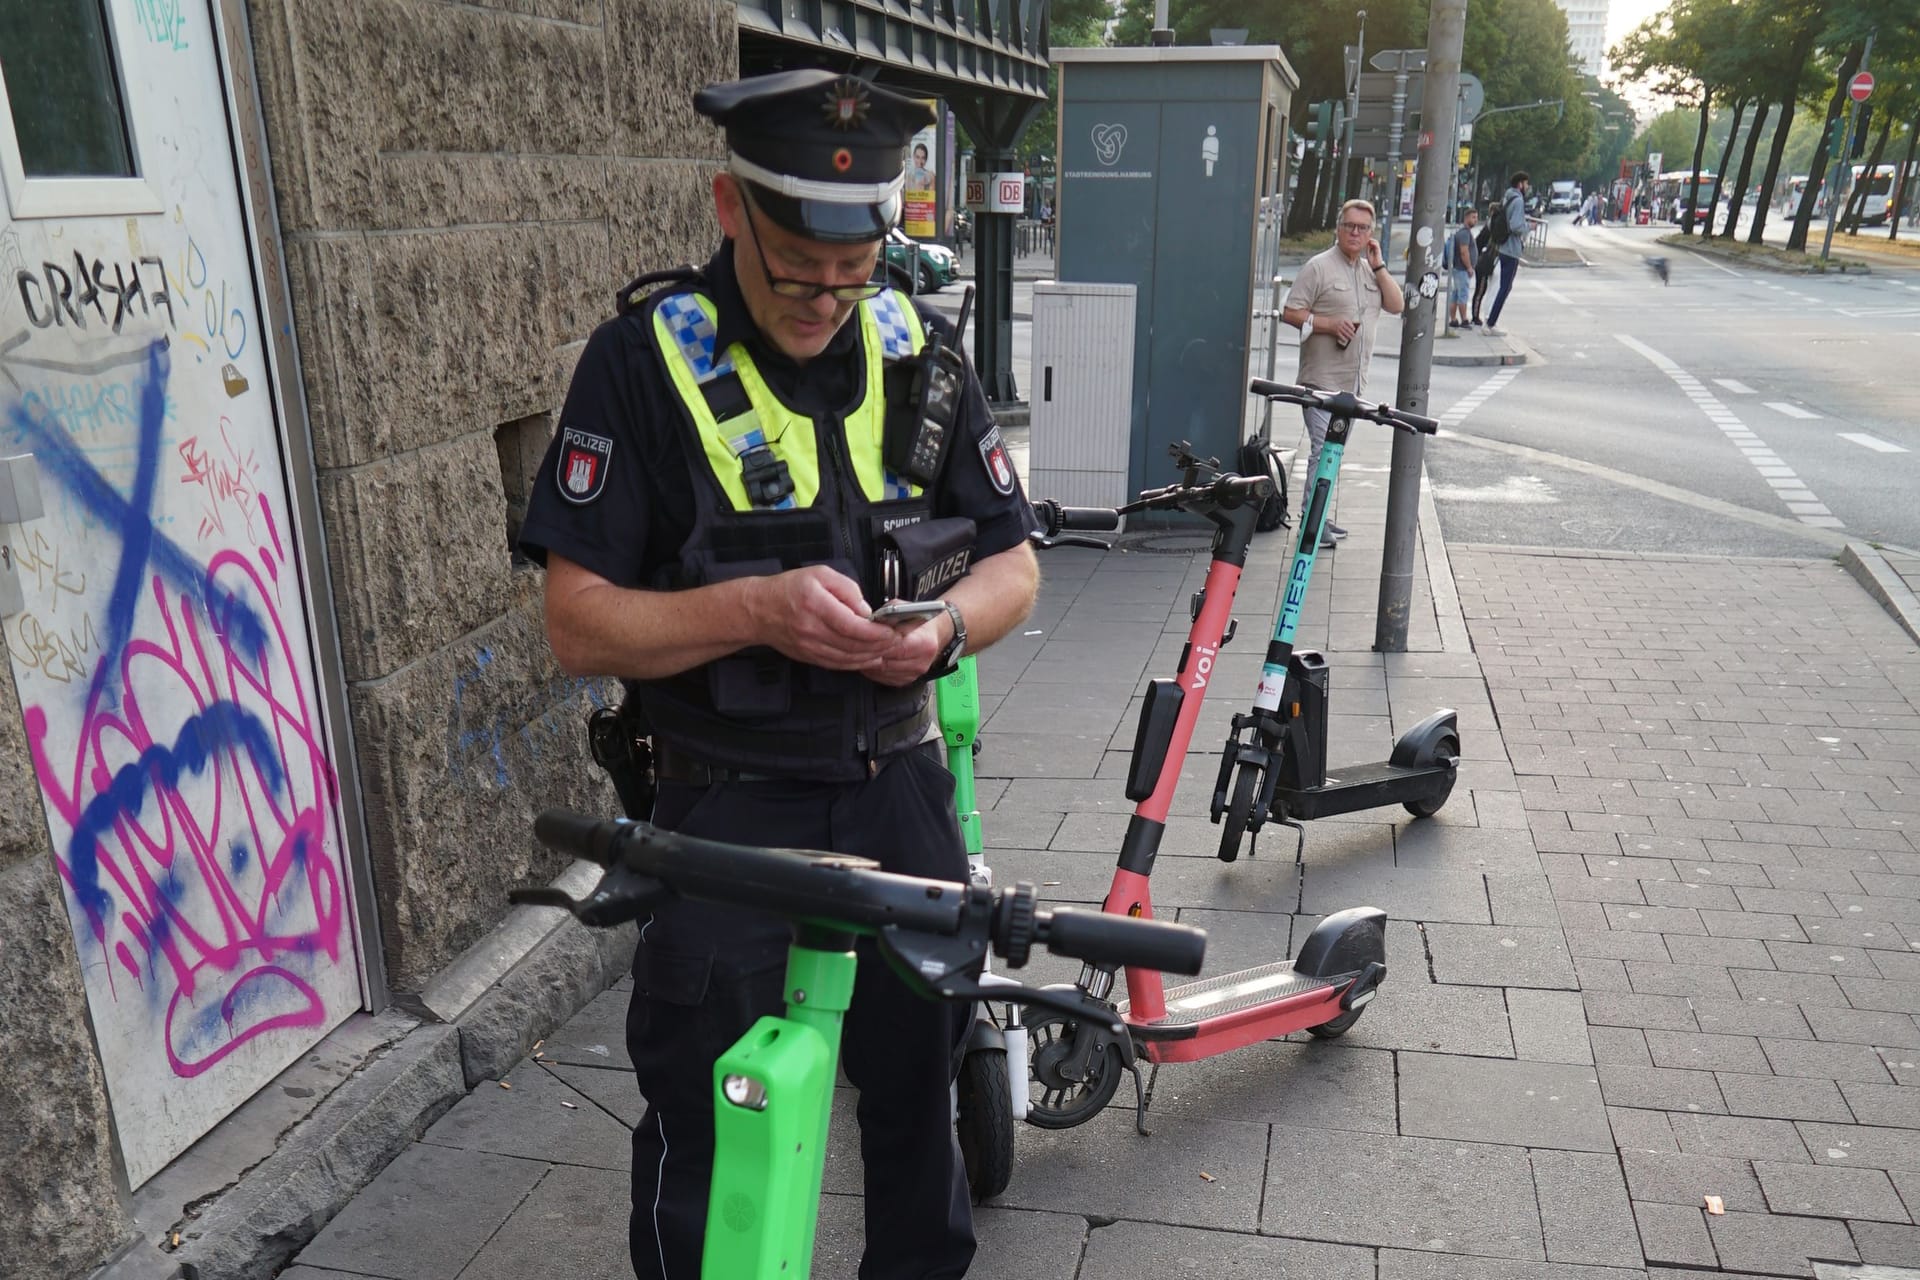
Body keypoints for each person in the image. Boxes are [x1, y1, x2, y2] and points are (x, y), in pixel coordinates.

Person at [516, 69, 1040, 1280]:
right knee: (711, 1122)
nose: (824, 302)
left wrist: (943, 631)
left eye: (851, 277)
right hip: (726, 803)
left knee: (920, 1108)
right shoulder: (640, 366)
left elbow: (1014, 566)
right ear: (729, 207)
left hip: (897, 780)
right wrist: (753, 607)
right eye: (798, 270)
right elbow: (577, 625)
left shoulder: (924, 353)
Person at [1279, 198, 1405, 550]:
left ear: (1371, 235)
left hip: (1352, 385)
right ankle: (1309, 522)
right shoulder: (1319, 267)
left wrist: (1379, 266)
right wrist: (1327, 324)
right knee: (1323, 450)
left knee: (1333, 453)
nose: (1355, 232)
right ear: (1338, 227)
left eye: (1362, 228)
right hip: (1320, 382)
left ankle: (1319, 517)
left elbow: (1396, 305)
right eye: (1349, 225)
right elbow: (1290, 312)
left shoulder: (1369, 270)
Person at [1484, 171, 1529, 335]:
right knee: (1505, 287)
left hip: (1503, 247)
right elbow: (1516, 225)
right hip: (1511, 249)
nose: (1528, 187)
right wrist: (1528, 227)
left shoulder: (1507, 198)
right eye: (1526, 184)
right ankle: (1491, 323)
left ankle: (1490, 321)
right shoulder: (1518, 201)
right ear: (1520, 184)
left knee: (1503, 286)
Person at [1448, 208, 1478, 330]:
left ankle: (1453, 319)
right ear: (1466, 218)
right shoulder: (1465, 233)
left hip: (1458, 269)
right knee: (1463, 295)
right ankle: (1464, 319)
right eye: (1473, 217)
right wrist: (1469, 267)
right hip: (1462, 269)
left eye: (1476, 217)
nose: (1475, 220)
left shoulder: (1462, 232)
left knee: (1455, 294)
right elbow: (1464, 252)